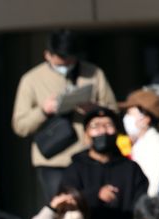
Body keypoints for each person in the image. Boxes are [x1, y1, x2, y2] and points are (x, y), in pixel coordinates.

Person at [11, 29, 117, 202]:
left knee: (94, 204)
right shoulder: (31, 80)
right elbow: (20, 126)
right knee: (62, 208)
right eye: (61, 59)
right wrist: (43, 111)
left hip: (90, 154)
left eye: (70, 58)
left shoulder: (93, 73)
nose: (66, 63)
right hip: (53, 160)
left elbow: (114, 111)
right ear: (47, 55)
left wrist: (94, 109)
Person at [58, 106, 149, 219]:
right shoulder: (75, 169)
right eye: (95, 126)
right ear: (86, 134)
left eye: (108, 125)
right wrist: (96, 196)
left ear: (117, 132)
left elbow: (141, 206)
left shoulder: (131, 169)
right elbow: (65, 201)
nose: (102, 131)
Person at [121, 90, 159, 196]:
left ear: (145, 119)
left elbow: (155, 185)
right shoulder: (144, 143)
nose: (125, 118)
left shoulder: (150, 147)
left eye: (129, 113)